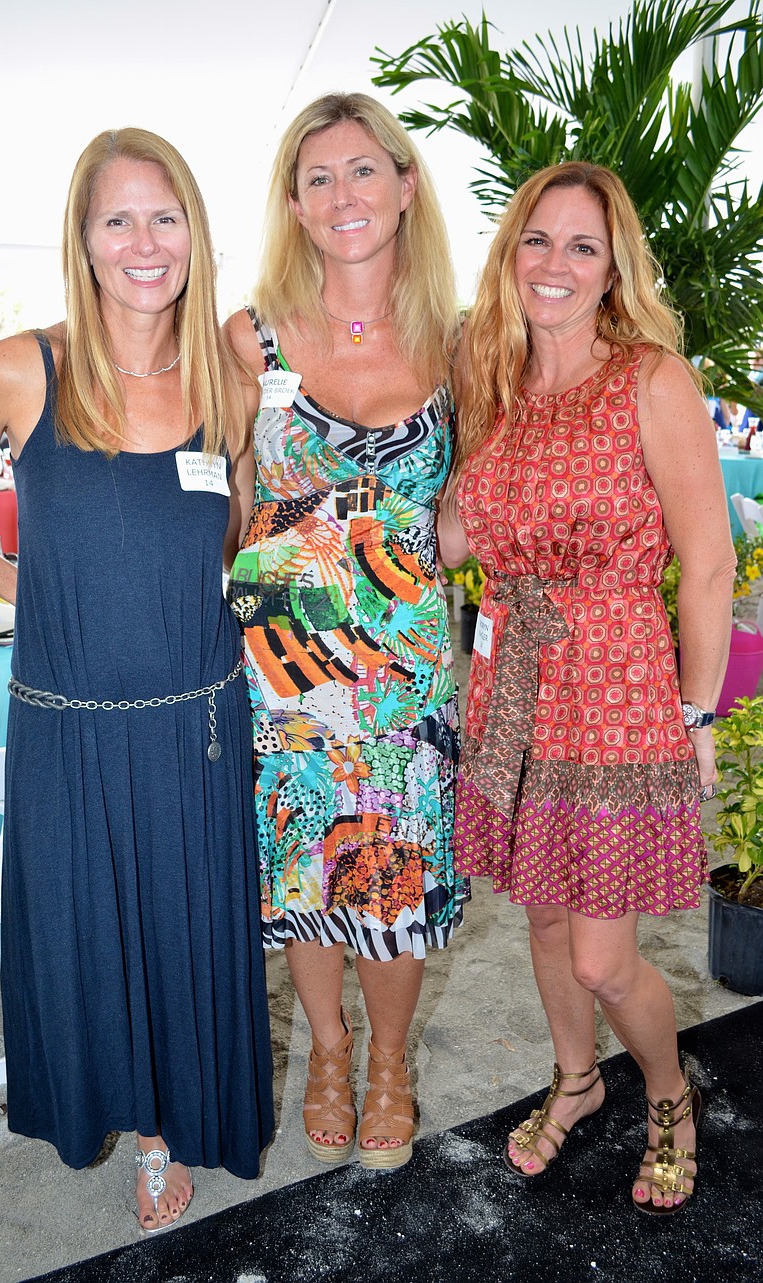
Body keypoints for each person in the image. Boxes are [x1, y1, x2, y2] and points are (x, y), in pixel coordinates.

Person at [0, 128, 274, 1233]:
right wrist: (19, 584)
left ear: (195, 232)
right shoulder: (26, 364)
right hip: (70, 721)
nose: (143, 240)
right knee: (89, 930)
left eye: (164, 215)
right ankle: (106, 1101)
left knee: (180, 930)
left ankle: (169, 1129)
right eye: (116, 217)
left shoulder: (227, 376)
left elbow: (231, 533)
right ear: (82, 236)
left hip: (197, 718)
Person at [440, 161, 735, 1214]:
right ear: (508, 255)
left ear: (612, 268)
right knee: (543, 920)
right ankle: (575, 1077)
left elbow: (707, 560)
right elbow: (459, 533)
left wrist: (695, 712)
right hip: (514, 681)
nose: (553, 264)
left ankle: (666, 1090)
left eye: (580, 246)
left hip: (614, 686)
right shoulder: (494, 381)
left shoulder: (648, 377)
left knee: (607, 954)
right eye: (536, 240)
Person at [224, 92, 467, 1170]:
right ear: (293, 203)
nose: (342, 194)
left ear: (406, 185)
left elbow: (476, 508)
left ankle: (389, 1062)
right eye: (317, 177)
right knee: (301, 865)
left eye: (363, 170)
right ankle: (326, 1048)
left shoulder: (461, 345)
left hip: (407, 672)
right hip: (277, 669)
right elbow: (220, 491)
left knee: (397, 873)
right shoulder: (250, 335)